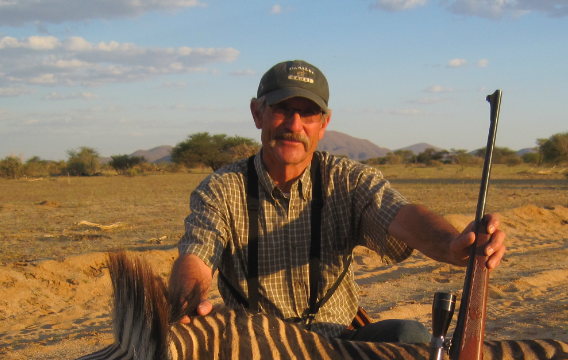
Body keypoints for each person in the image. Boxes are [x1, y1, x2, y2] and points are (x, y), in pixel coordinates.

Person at [170, 59, 505, 343]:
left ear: (324, 123)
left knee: (410, 337)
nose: (294, 125)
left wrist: (454, 244)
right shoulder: (220, 189)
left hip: (338, 346)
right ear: (258, 114)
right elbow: (196, 257)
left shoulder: (348, 180)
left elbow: (401, 217)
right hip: (260, 351)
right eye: (282, 110)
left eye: (308, 113)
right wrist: (188, 298)